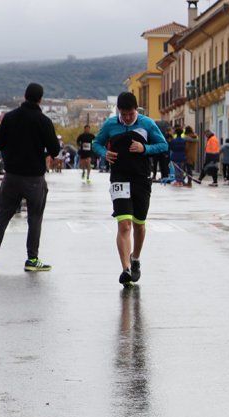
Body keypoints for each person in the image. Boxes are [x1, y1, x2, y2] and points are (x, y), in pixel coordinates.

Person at [0, 83, 60, 272]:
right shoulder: (44, 121)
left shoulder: (10, 118)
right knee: (35, 217)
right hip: (34, 178)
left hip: (12, 175)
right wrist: (41, 151)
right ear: (40, 99)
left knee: (3, 214)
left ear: (24, 96)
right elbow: (55, 149)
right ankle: (32, 258)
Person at [91, 92, 168, 287]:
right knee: (124, 224)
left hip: (141, 178)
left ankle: (135, 258)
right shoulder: (110, 125)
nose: (126, 118)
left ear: (136, 110)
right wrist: (103, 153)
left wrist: (145, 149)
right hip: (119, 178)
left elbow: (163, 145)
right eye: (123, 114)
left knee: (139, 224)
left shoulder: (147, 124)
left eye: (130, 114)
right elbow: (96, 143)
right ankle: (125, 269)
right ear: (118, 110)